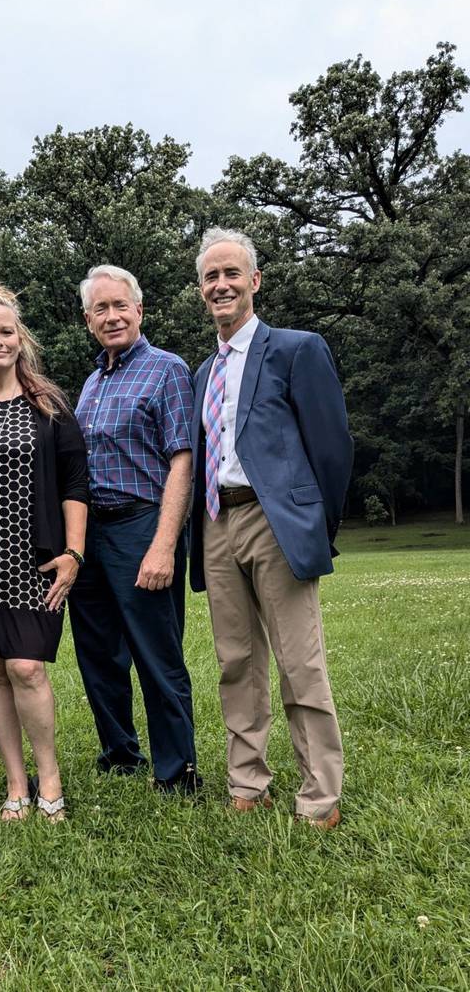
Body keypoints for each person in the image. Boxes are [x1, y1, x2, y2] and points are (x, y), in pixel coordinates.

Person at [190, 227, 353, 830]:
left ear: (254, 281)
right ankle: (247, 778)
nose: (222, 285)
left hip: (274, 519)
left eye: (232, 273)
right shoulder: (201, 372)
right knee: (236, 659)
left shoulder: (296, 348)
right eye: (211, 276)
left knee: (299, 661)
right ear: (201, 290)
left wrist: (315, 521)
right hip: (214, 521)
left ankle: (319, 794)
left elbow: (332, 447)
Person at [0, 283, 88, 822]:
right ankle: (16, 783)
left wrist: (74, 552)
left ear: (20, 338)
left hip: (35, 562)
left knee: (27, 667)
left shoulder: (49, 404)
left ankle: (49, 777)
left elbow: (76, 483)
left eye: (6, 331)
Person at [69, 265, 199, 793]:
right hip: (90, 533)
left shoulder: (168, 370)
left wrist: (164, 545)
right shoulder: (91, 380)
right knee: (98, 651)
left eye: (120, 305)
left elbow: (183, 461)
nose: (112, 315)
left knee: (156, 652)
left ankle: (177, 772)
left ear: (139, 310)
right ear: (87, 319)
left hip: (143, 523)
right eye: (100, 308)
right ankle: (119, 752)